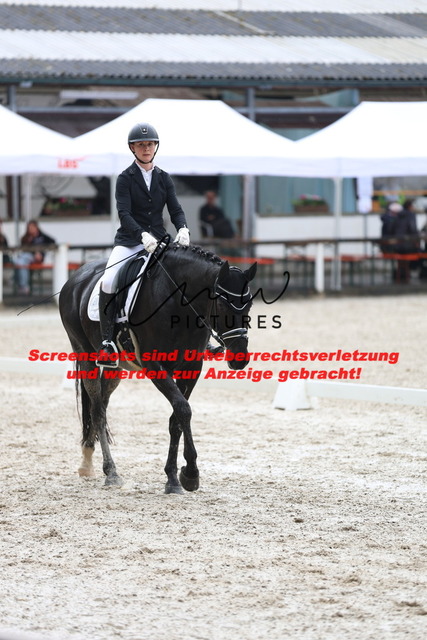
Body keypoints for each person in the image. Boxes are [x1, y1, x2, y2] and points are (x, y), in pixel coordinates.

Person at [97, 122, 190, 367]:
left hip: (158, 241)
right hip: (130, 242)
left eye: (150, 144)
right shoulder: (125, 178)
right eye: (141, 145)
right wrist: (141, 235)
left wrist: (183, 227)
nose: (146, 148)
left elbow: (175, 209)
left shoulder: (164, 178)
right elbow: (124, 214)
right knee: (108, 280)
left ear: (155, 147)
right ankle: (107, 342)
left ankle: (198, 335)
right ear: (133, 148)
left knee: (183, 278)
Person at [14, 220, 55, 294]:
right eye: (29, 228)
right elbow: (24, 249)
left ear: (36, 227)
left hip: (37, 259)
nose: (31, 229)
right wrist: (29, 243)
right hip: (27, 257)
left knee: (19, 261)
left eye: (32, 227)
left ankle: (19, 283)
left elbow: (53, 241)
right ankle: (23, 286)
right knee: (21, 261)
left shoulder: (42, 236)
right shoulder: (25, 238)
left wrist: (42, 253)